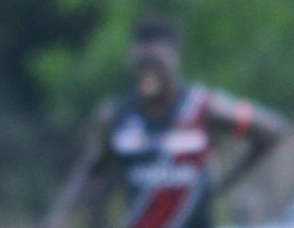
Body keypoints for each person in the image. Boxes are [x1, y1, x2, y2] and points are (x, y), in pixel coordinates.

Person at [43, 14, 289, 228]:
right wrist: (60, 218)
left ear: (177, 58)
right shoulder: (117, 115)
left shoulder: (203, 108)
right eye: (142, 65)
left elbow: (271, 131)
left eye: (157, 64)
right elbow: (93, 172)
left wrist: (226, 183)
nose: (149, 73)